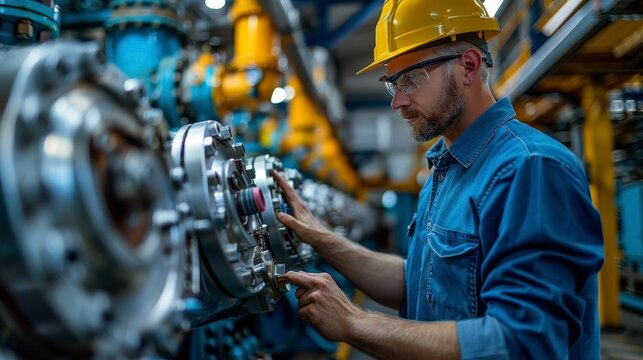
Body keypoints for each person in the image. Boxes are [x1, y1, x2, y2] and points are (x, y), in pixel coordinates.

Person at [272, 0, 604, 358]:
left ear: (469, 66)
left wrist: (353, 322)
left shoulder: (530, 169)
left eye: (411, 79)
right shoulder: (444, 172)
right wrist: (323, 239)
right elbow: (418, 284)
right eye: (391, 84)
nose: (397, 101)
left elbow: (520, 342)